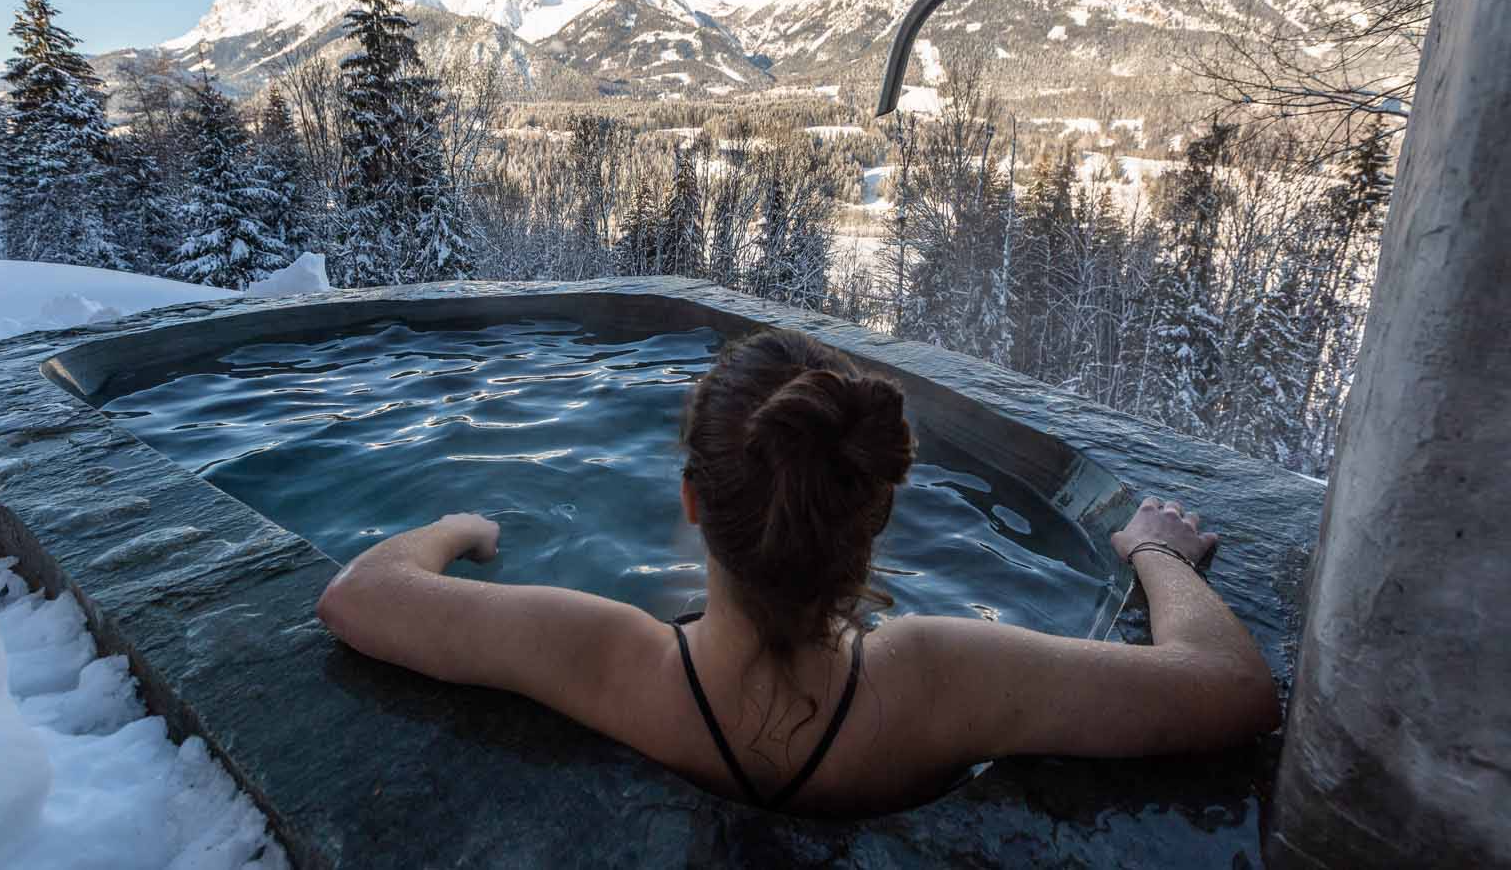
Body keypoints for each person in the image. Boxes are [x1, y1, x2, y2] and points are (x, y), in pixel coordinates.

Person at [316, 330, 1280, 817]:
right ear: (874, 507)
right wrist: (1155, 552)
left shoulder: (612, 661)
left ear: (694, 502)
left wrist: (452, 526)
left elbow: (360, 594)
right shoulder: (942, 677)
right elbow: (1233, 690)